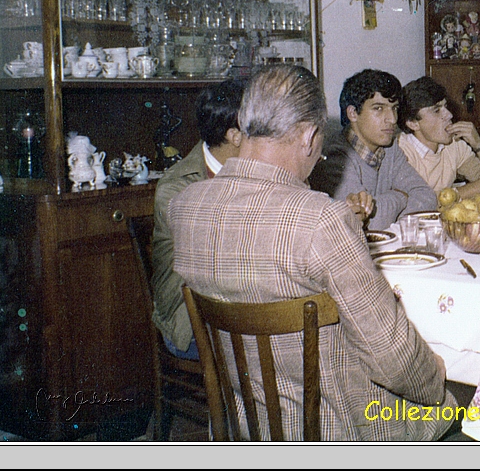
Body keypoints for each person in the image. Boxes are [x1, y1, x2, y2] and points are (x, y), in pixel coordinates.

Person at [171, 65, 456, 441]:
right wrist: (435, 382)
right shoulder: (322, 219)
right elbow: (392, 357)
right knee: (464, 399)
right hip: (333, 429)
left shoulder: (186, 206)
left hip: (239, 424)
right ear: (308, 137)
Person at [150, 78, 246, 360]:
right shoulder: (177, 187)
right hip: (190, 320)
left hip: (237, 307)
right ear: (235, 135)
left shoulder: (250, 167)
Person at [322, 69, 437, 230]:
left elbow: (426, 197)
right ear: (353, 113)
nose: (392, 119)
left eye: (394, 108)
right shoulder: (334, 157)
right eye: (378, 108)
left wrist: (388, 213)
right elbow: (365, 221)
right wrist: (400, 196)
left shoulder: (389, 148)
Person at [398, 76, 480, 198]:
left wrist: (479, 144)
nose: (449, 115)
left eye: (445, 106)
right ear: (413, 124)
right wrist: (477, 187)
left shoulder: (453, 144)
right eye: (436, 110)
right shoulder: (400, 151)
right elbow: (415, 202)